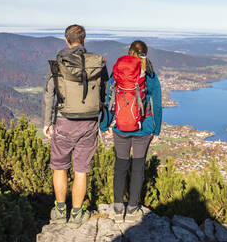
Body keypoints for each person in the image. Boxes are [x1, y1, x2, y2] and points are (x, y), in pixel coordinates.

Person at [43, 24, 108, 228]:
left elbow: (48, 94)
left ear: (66, 40)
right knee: (81, 170)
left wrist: (47, 123)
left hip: (64, 120)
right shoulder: (97, 63)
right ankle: (77, 214)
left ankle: (61, 211)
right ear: (84, 39)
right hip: (89, 121)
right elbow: (104, 92)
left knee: (59, 167)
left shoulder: (57, 63)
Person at [100, 40, 162, 223]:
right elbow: (157, 105)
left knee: (120, 166)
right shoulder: (149, 74)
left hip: (121, 127)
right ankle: (133, 208)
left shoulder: (118, 72)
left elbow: (109, 100)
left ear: (128, 52)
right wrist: (157, 129)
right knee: (137, 167)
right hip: (144, 127)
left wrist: (105, 126)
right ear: (146, 54)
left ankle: (118, 209)